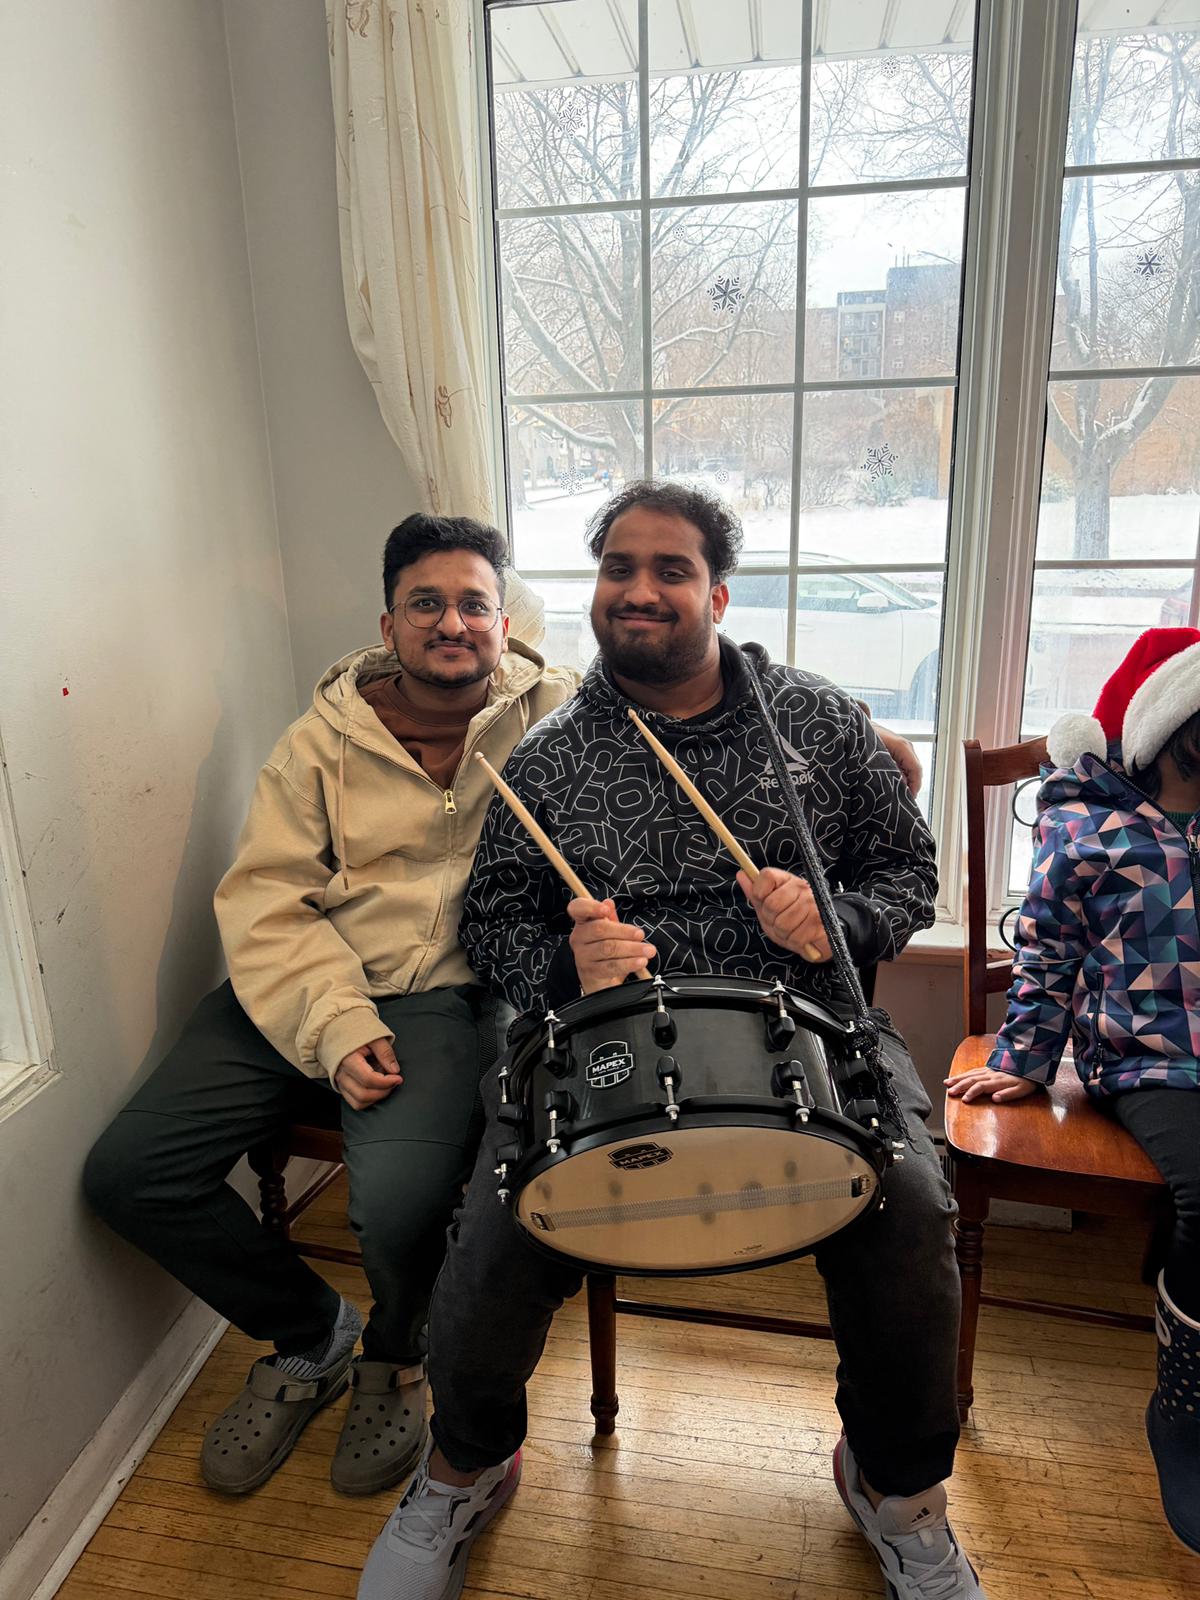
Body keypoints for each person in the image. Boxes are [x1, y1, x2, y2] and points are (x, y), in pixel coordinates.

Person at [357, 480, 985, 1600]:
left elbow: (908, 871)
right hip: (598, 1045)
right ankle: (464, 1467)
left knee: (911, 1213)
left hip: (812, 1028)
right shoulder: (547, 756)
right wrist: (566, 963)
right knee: (493, 1236)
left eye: (670, 570)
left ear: (718, 594)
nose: (639, 590)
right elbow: (492, 919)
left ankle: (897, 1490)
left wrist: (838, 919)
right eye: (619, 569)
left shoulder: (819, 722)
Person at [83, 515, 575, 1496]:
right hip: (297, 976)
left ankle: (395, 1353)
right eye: (425, 603)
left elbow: (698, 702)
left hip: (436, 997)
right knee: (130, 1174)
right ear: (387, 624)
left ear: (502, 619)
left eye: (473, 603)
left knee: (395, 1206)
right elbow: (267, 901)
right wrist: (337, 1023)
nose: (451, 623)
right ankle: (311, 1332)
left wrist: (865, 738)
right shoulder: (317, 743)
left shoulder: (557, 718)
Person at [947, 627, 1200, 1556]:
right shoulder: (1092, 829)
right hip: (1149, 1056)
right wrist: (1025, 1057)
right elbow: (1047, 952)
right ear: (1176, 731)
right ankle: (1186, 1406)